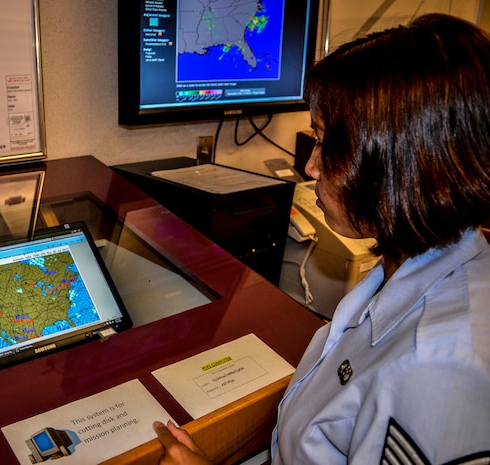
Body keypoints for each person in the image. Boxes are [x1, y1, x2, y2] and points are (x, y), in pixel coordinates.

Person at [153, 13, 490, 464]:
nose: (311, 167)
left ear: (398, 162)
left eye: (326, 142)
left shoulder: (440, 367)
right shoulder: (410, 264)